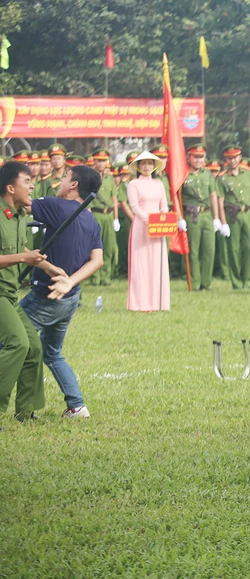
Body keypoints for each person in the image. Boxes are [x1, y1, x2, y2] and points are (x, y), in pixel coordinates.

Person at [20, 164, 104, 419]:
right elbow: (97, 260)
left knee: (8, 341)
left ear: (74, 184)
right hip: (69, 298)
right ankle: (77, 406)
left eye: (65, 178)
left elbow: (20, 202)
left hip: (45, 297)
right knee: (52, 353)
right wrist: (71, 282)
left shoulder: (57, 206)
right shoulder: (91, 220)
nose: (60, 182)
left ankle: (26, 408)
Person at [0, 161, 48, 425]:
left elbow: (24, 253)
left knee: (33, 347)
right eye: (26, 181)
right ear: (10, 188)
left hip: (9, 294)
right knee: (18, 343)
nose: (32, 186)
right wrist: (23, 257)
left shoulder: (19, 217)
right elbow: (20, 256)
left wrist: (51, 268)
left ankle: (26, 412)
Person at [127, 152, 170, 312]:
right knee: (141, 263)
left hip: (158, 226)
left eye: (149, 163)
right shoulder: (134, 184)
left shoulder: (159, 183)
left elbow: (163, 204)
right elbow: (135, 207)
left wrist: (162, 217)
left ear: (154, 166)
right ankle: (140, 303)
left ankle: (159, 302)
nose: (146, 167)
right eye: (143, 163)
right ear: (138, 166)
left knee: (157, 263)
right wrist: (150, 220)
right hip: (142, 225)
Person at [217, 145, 250, 290]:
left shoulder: (248, 174)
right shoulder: (222, 178)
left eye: (235, 157)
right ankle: (236, 281)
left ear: (240, 157)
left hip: (247, 213)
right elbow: (220, 202)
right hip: (232, 216)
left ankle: (247, 279)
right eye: (229, 158)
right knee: (233, 249)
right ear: (226, 160)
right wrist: (223, 223)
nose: (233, 161)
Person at [178, 144, 218, 291]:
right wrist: (180, 218)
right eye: (195, 157)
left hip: (207, 214)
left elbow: (213, 195)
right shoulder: (183, 174)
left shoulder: (207, 174)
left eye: (201, 157)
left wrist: (216, 217)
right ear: (189, 157)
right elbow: (177, 196)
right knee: (193, 250)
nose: (198, 160)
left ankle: (205, 283)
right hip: (192, 215)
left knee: (209, 249)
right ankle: (194, 283)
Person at [85, 148, 119, 285]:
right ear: (94, 161)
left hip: (108, 214)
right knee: (94, 247)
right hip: (95, 214)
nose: (101, 164)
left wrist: (116, 218)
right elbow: (86, 199)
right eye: (98, 161)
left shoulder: (110, 178)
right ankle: (95, 277)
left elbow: (114, 198)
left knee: (109, 247)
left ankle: (106, 277)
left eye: (104, 161)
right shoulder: (89, 178)